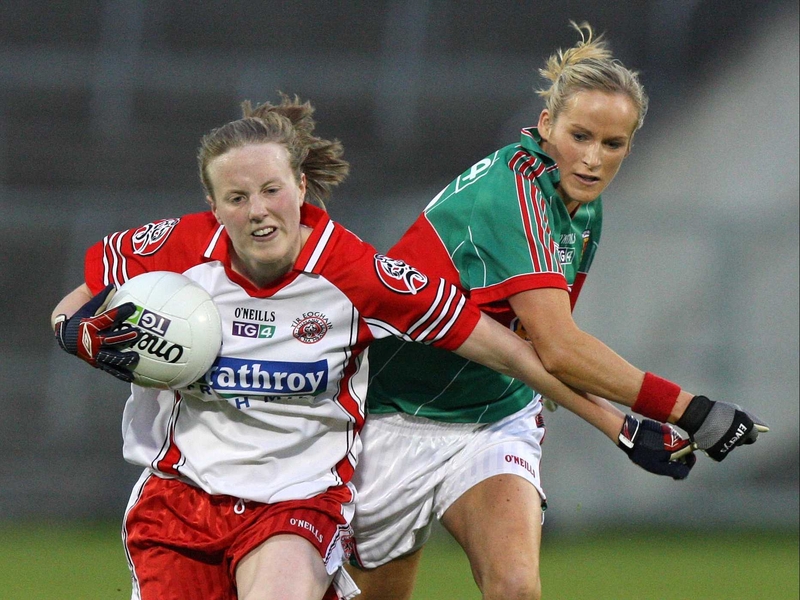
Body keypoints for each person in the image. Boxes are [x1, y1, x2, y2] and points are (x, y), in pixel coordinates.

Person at [49, 94, 671, 600]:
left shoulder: (359, 276)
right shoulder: (179, 248)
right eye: (236, 198)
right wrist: (78, 334)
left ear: (300, 186)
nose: (258, 211)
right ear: (214, 206)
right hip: (181, 498)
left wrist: (617, 425)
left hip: (297, 503)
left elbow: (509, 351)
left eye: (272, 190)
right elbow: (75, 302)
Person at [347, 22, 768, 600]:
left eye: (612, 144)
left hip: (494, 417)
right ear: (546, 126)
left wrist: (621, 426)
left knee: (516, 588)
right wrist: (690, 411)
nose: (593, 159)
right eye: (580, 136)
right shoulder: (512, 194)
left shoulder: (583, 210)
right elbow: (560, 348)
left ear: (629, 147)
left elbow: (535, 349)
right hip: (394, 415)